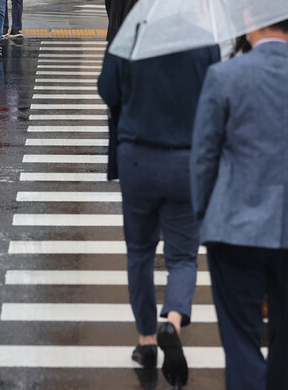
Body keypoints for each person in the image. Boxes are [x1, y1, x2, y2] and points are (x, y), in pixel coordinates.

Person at [191, 14, 288, 390]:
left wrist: (204, 215)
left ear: (246, 23)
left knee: (240, 337)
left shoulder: (223, 77)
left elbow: (203, 157)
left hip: (234, 226)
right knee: (287, 329)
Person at [97, 44, 220, 383]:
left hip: (138, 157)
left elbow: (106, 90)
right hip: (186, 160)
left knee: (139, 252)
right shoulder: (204, 43)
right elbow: (214, 98)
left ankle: (147, 340)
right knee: (182, 257)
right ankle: (174, 322)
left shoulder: (132, 37)